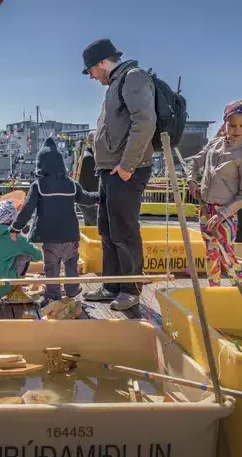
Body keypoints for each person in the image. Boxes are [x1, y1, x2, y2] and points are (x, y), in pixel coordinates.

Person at [79, 38, 156, 310]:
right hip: (109, 169)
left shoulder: (132, 77)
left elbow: (145, 123)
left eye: (90, 70)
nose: (91, 75)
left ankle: (131, 289)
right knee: (108, 230)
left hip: (124, 169)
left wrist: (127, 166)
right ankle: (112, 284)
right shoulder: (115, 83)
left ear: (102, 63)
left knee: (124, 230)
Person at [10, 138, 99, 305]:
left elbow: (27, 209)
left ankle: (53, 296)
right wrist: (100, 196)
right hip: (71, 235)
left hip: (50, 236)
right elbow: (86, 198)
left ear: (41, 164)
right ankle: (72, 291)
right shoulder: (71, 184)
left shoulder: (39, 185)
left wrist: (15, 227)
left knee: (51, 267)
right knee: (71, 263)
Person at [187, 100, 242, 286]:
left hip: (225, 211)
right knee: (211, 251)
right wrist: (191, 180)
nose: (237, 129)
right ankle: (214, 287)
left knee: (226, 251)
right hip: (205, 207)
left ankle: (239, 285)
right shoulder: (215, 144)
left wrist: (223, 213)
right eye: (232, 124)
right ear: (225, 122)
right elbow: (194, 162)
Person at [78, 131, 98, 227]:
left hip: (88, 203)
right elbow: (92, 185)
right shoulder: (89, 159)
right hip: (91, 204)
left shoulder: (85, 156)